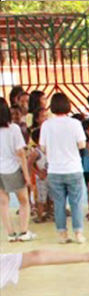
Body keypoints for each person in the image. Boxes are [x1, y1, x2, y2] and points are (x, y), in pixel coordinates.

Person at [38, 93, 88, 244]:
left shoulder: (46, 125)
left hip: (55, 170)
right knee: (76, 202)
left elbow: (43, 147)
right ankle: (78, 233)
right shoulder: (75, 124)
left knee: (59, 203)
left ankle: (62, 234)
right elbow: (82, 144)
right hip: (73, 167)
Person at [0, 97, 34, 242]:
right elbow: (20, 153)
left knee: (3, 202)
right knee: (24, 200)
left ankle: (10, 234)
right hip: (12, 168)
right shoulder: (13, 129)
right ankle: (24, 231)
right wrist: (26, 175)